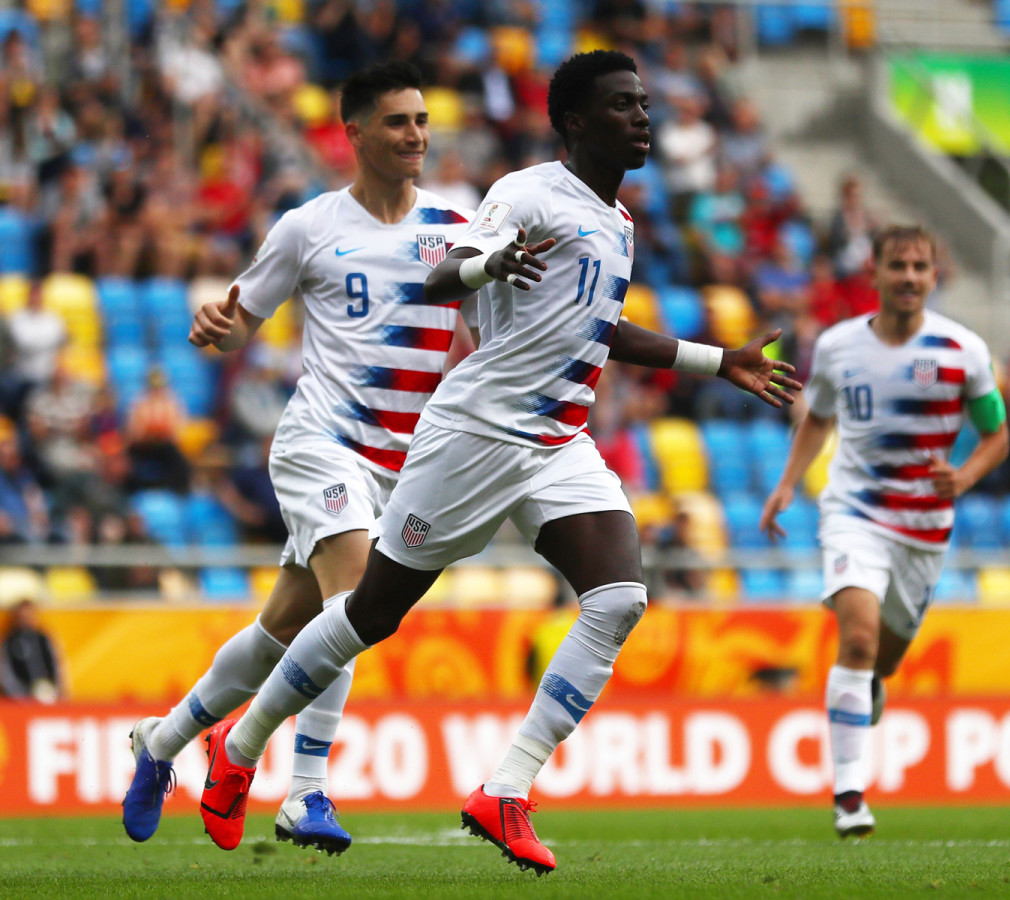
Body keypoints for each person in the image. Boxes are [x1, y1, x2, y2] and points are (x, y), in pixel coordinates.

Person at [197, 49, 800, 872]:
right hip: (476, 434)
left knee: (620, 597)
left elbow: (599, 329)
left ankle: (506, 790)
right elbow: (446, 274)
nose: (643, 116)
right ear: (576, 122)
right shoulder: (524, 194)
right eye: (624, 104)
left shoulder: (617, 223)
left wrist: (714, 359)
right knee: (371, 613)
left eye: (645, 102)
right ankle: (242, 748)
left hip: (558, 440)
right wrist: (490, 262)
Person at [121, 60, 477, 855]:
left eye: (422, 120)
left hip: (397, 464)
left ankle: (163, 739)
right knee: (352, 604)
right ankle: (307, 791)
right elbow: (243, 316)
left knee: (285, 628)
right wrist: (221, 322)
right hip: (320, 442)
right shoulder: (309, 226)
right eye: (397, 122)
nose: (416, 134)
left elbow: (484, 339)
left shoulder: (456, 230)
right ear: (353, 133)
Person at [760, 225, 1009, 839]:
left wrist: (966, 475)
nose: (908, 277)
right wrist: (788, 483)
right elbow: (817, 418)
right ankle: (850, 795)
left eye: (920, 267)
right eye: (897, 265)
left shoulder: (964, 351)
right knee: (860, 639)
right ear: (873, 273)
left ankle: (868, 686)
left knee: (884, 659)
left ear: (933, 275)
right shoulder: (840, 347)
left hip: (924, 529)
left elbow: (998, 435)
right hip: (854, 513)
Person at [0, 598, 62, 702]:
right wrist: (20, 695)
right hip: (20, 699)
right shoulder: (9, 641)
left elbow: (57, 664)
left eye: (29, 615)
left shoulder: (43, 638)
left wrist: (57, 689)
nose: (26, 619)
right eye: (23, 616)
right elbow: (5, 672)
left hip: (47, 693)